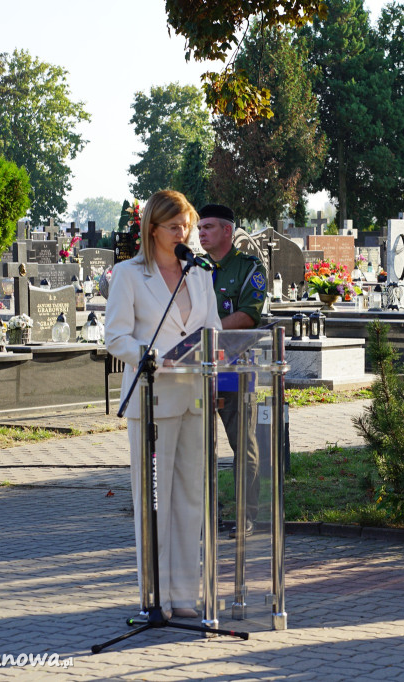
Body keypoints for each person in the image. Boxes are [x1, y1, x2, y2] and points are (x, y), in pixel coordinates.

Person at [105, 190, 222, 621]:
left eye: (187, 225)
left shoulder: (200, 274)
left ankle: (184, 596)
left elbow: (212, 330)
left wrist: (215, 365)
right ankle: (155, 598)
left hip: (194, 398)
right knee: (155, 502)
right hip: (153, 400)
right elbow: (115, 337)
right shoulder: (129, 275)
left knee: (191, 498)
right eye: (175, 226)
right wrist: (150, 356)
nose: (184, 233)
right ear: (152, 229)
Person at [197, 203, 266, 538]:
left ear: (227, 230)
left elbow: (248, 315)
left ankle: (245, 516)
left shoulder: (249, 267)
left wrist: (207, 331)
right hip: (198, 369)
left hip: (235, 369)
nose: (201, 233)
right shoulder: (194, 269)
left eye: (208, 227)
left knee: (243, 446)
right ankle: (207, 514)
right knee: (201, 447)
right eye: (199, 228)